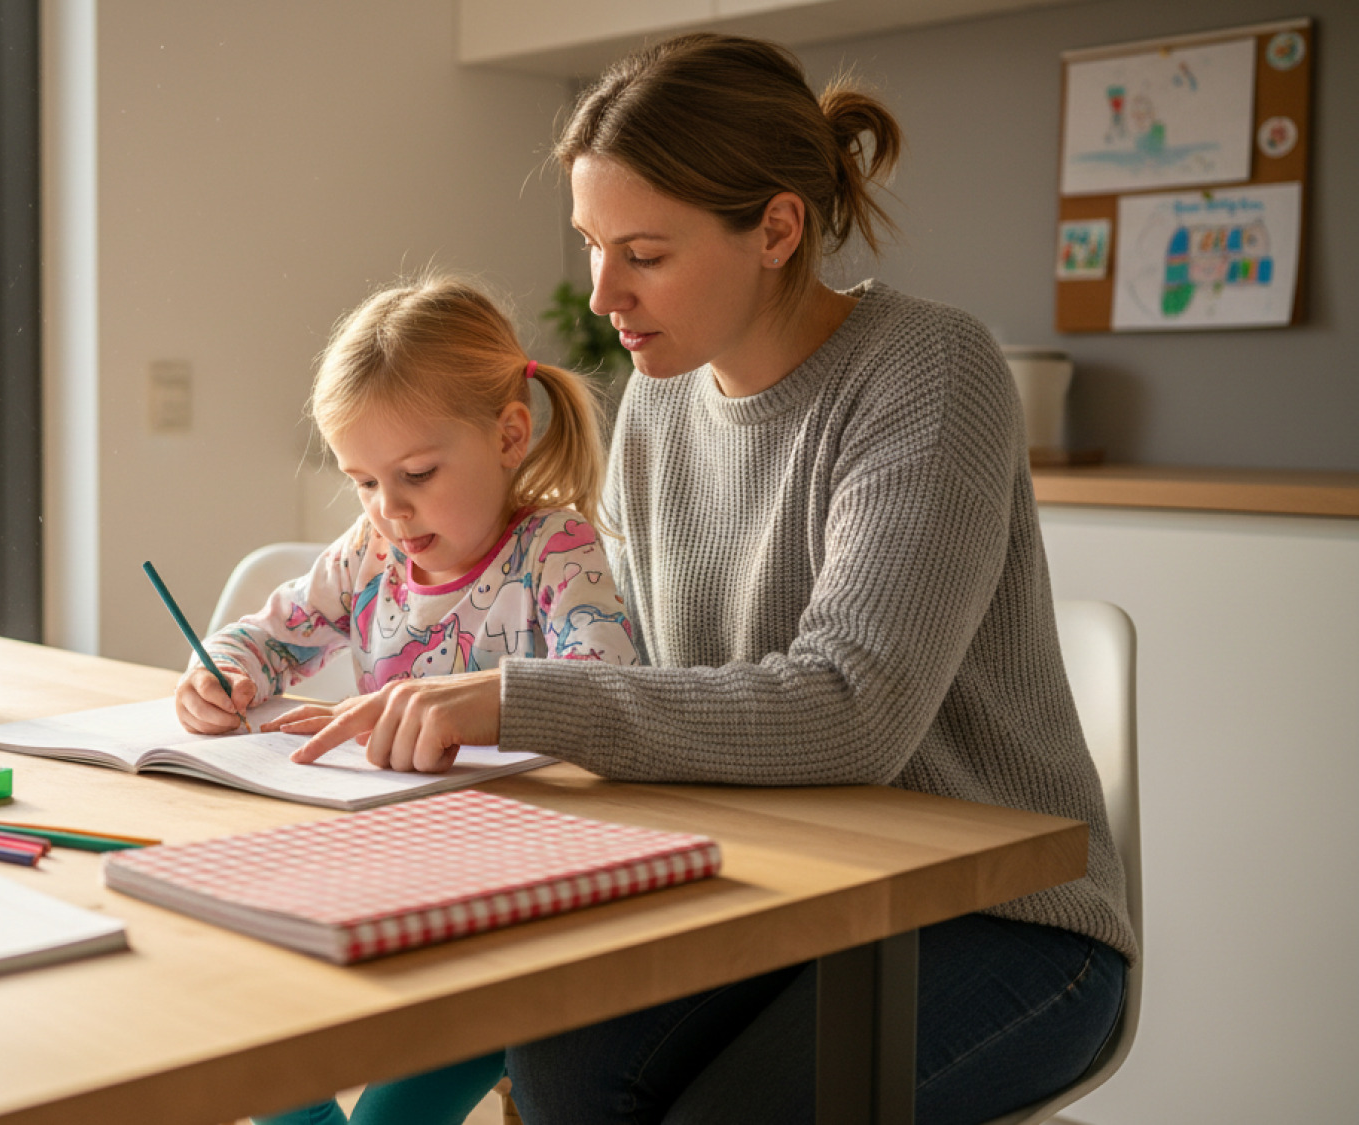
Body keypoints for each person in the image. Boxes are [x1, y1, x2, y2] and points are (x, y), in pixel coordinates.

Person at [292, 33, 1137, 1125]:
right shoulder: (655, 407)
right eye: (592, 246)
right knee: (555, 1065)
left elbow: (851, 713)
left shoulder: (927, 371)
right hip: (778, 887)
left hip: (1000, 919)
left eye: (642, 253)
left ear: (775, 229)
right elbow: (645, 679)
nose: (601, 293)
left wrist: (513, 698)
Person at [175, 275, 639, 1125]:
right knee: (247, 1038)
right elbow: (271, 633)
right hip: (385, 879)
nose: (389, 509)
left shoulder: (555, 550)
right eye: (362, 482)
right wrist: (222, 670)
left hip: (511, 917)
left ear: (509, 435)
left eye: (417, 473)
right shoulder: (368, 555)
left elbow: (605, 684)